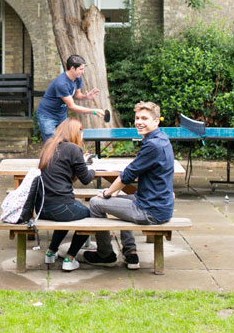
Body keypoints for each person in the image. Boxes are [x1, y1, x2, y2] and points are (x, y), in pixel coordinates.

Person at [83, 101, 175, 270]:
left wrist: (108, 192)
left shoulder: (152, 145)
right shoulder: (161, 138)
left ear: (156, 121)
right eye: (137, 118)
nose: (139, 122)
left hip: (151, 211)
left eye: (144, 118)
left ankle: (105, 255)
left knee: (96, 203)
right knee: (122, 199)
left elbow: (127, 175)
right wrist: (115, 192)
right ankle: (130, 252)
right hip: (159, 204)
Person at [40, 118, 97, 271]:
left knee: (70, 210)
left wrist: (80, 162)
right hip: (60, 207)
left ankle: (51, 252)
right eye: (81, 131)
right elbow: (86, 179)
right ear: (76, 132)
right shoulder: (73, 149)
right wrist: (93, 169)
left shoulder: (49, 146)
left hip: (41, 208)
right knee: (92, 214)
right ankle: (70, 257)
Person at [36, 54, 106, 142]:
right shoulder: (61, 83)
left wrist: (86, 97)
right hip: (47, 115)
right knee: (51, 144)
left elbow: (76, 95)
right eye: (81, 69)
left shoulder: (77, 78)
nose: (83, 72)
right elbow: (72, 106)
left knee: (66, 141)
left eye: (83, 69)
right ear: (72, 68)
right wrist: (94, 111)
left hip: (61, 115)